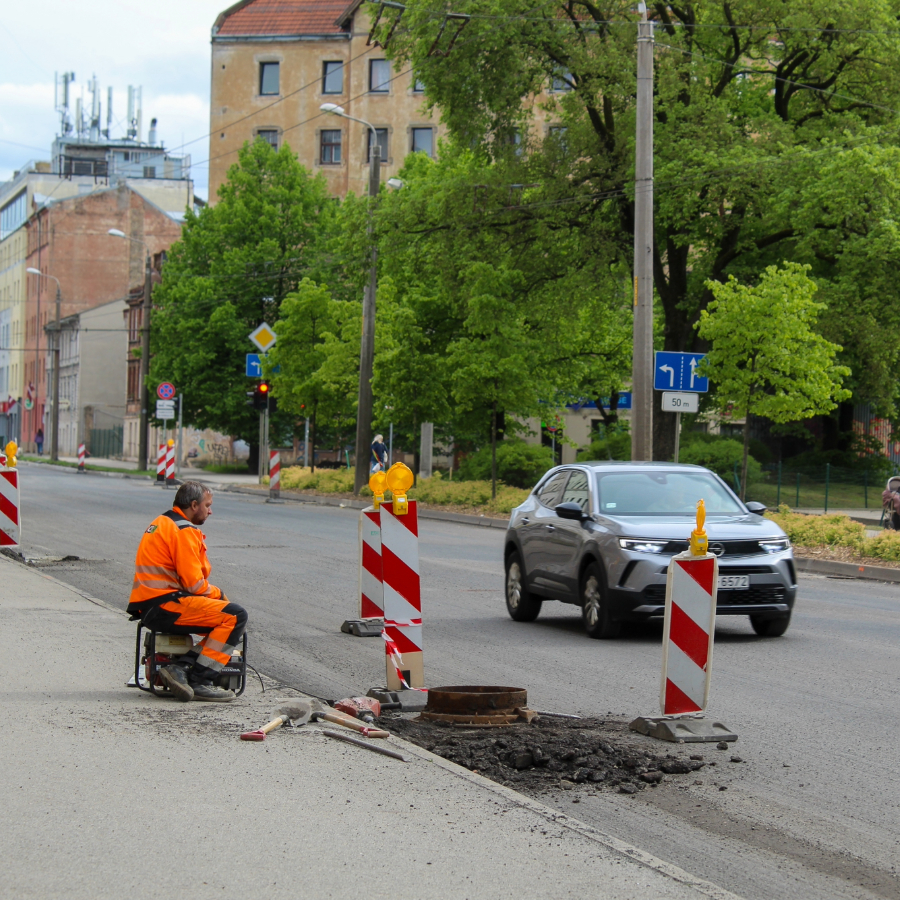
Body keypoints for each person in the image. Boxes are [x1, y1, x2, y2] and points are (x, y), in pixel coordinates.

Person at [127, 481, 248, 702]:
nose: (210, 511)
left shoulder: (162, 522)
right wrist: (219, 595)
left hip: (153, 605)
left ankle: (180, 668)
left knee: (227, 619)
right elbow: (194, 586)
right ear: (194, 505)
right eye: (207, 505)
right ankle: (200, 680)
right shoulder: (183, 530)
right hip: (166, 605)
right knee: (235, 616)